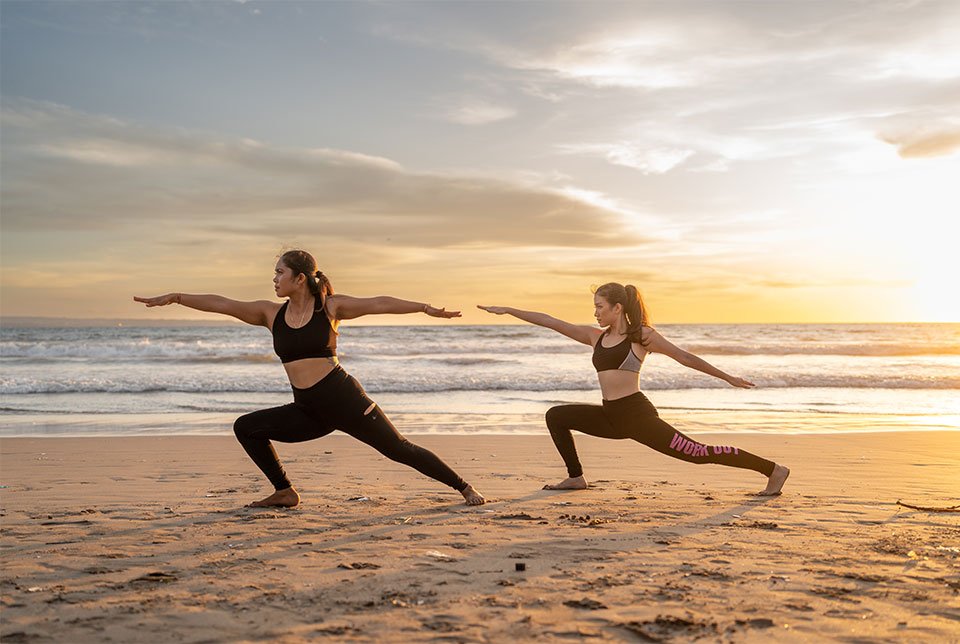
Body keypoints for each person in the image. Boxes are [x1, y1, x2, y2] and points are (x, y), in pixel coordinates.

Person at [134, 250, 485, 508]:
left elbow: (378, 302)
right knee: (246, 427)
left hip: (345, 400)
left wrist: (424, 308)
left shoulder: (330, 308)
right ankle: (285, 491)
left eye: (279, 272)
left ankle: (464, 487)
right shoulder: (270, 313)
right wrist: (177, 297)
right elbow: (223, 303)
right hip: (308, 409)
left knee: (398, 449)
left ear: (299, 278)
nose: (274, 279)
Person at [478, 283, 789, 496]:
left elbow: (684, 357)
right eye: (594, 307)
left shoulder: (642, 336)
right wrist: (508, 309)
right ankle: (576, 477)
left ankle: (772, 470)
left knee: (698, 453)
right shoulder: (593, 337)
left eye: (600, 307)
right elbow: (550, 321)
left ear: (617, 307)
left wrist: (728, 377)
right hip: (610, 415)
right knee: (556, 415)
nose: (595, 313)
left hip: (637, 416)